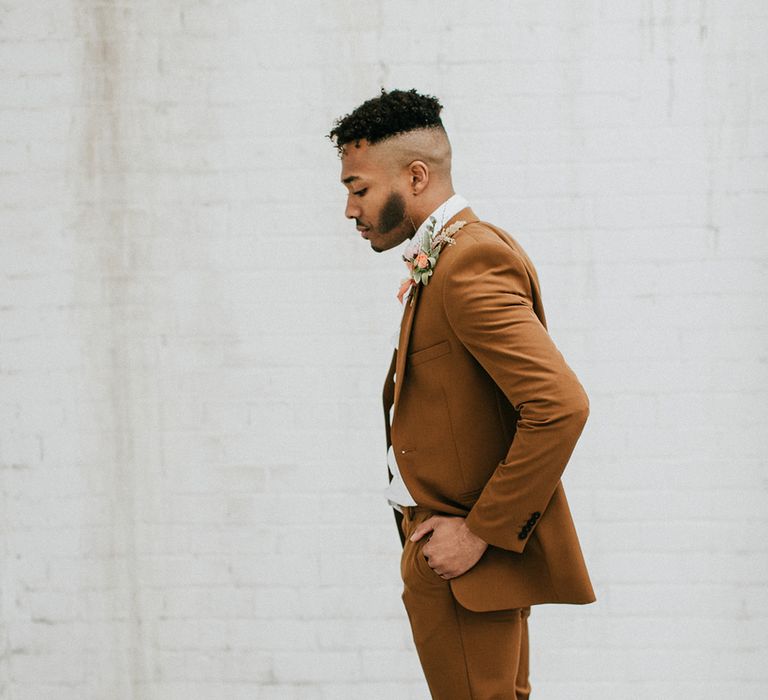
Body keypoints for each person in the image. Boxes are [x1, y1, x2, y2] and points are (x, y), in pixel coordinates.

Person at [328, 88, 595, 699]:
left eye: (358, 187)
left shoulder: (468, 263)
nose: (349, 208)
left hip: (465, 560)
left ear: (416, 176)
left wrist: (479, 532)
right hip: (459, 560)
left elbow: (559, 406)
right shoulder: (451, 258)